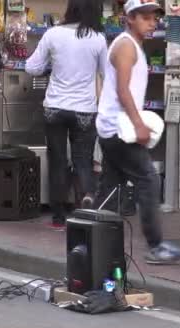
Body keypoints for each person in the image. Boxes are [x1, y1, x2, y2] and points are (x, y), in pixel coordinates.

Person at [95, 0, 180, 265]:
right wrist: (138, 124)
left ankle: (92, 237)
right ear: (130, 18)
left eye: (155, 19)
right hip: (119, 128)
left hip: (115, 127)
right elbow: (123, 90)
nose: (152, 23)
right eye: (146, 18)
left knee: (110, 189)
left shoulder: (133, 45)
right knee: (148, 179)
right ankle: (156, 245)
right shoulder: (125, 46)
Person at [26, 0, 107, 228]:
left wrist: (52, 64)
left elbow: (32, 67)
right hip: (84, 110)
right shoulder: (97, 38)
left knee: (58, 161)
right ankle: (86, 209)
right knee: (83, 161)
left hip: (55, 108)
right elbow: (106, 74)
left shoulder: (53, 34)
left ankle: (58, 216)